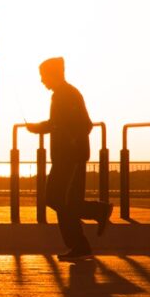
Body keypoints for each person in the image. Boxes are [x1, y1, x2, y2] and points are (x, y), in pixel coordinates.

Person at [27, 57, 111, 260]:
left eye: (43, 76)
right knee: (65, 201)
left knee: (57, 199)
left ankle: (95, 218)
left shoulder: (68, 94)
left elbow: (85, 124)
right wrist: (39, 128)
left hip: (70, 158)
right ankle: (84, 238)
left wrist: (73, 141)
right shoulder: (61, 95)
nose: (42, 81)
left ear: (53, 74)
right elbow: (57, 122)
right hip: (64, 157)